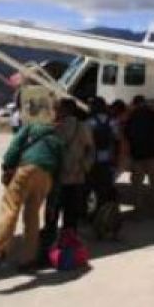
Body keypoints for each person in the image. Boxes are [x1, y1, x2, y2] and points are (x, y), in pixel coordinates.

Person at [0, 111, 64, 272]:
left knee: (10, 209)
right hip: (45, 176)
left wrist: (7, 166)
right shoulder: (57, 139)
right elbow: (60, 168)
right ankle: (28, 258)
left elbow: (14, 147)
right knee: (32, 215)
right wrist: (54, 194)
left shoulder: (30, 127)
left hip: (25, 169)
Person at [40, 98, 93, 257]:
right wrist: (84, 168)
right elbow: (90, 150)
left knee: (52, 214)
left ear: (63, 110)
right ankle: (69, 247)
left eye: (57, 108)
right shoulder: (83, 126)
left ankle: (47, 248)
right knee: (71, 215)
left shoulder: (53, 127)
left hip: (57, 178)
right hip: (77, 177)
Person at [125, 95, 154, 213]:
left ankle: (139, 209)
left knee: (137, 184)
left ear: (135, 104)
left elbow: (128, 133)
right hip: (153, 153)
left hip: (137, 154)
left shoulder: (132, 117)